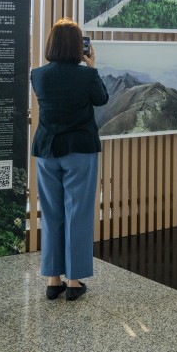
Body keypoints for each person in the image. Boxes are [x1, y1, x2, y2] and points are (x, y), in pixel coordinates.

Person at [31, 18, 109, 301]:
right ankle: (74, 282)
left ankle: (53, 281)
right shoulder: (86, 76)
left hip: (47, 151)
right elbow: (101, 99)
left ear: (52, 44)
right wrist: (92, 65)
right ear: (80, 47)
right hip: (79, 151)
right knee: (78, 213)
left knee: (51, 215)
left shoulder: (37, 75)